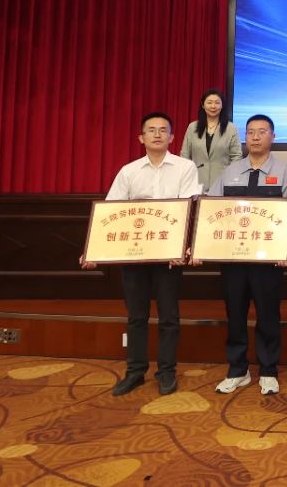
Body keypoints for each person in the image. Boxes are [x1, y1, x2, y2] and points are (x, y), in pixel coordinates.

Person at [87, 112, 200, 397]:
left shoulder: (185, 167)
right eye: (151, 130)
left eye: (163, 130)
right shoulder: (129, 171)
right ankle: (135, 372)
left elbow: (188, 208)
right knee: (136, 316)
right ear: (141, 137)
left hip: (169, 254)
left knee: (168, 316)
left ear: (172, 137)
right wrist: (93, 250)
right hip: (135, 253)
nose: (157, 134)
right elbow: (111, 211)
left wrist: (181, 247)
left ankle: (166, 371)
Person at [204, 113, 287, 396]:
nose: (256, 137)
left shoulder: (284, 172)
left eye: (262, 131)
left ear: (273, 137)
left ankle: (268, 370)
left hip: (268, 259)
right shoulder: (230, 171)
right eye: (251, 132)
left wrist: (286, 247)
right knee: (235, 313)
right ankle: (237, 370)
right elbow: (211, 210)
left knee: (268, 314)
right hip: (234, 258)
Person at [180, 89, 242, 190]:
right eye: (209, 102)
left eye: (217, 103)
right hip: (196, 182)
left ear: (222, 105)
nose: (213, 106)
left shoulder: (231, 128)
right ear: (203, 105)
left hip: (223, 182)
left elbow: (236, 157)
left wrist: (230, 178)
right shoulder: (192, 127)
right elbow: (185, 155)